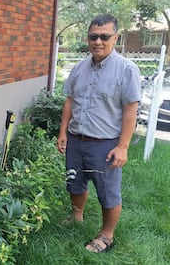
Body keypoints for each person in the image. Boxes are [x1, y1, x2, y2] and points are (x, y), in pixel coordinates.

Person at [56, 14, 141, 253]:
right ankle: (77, 216)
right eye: (94, 36)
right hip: (75, 140)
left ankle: (107, 235)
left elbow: (130, 111)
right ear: (88, 38)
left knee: (107, 191)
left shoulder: (126, 69)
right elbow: (70, 102)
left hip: (105, 144)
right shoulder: (79, 67)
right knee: (74, 182)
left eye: (105, 36)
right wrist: (63, 132)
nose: (98, 42)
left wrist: (122, 147)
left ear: (116, 37)